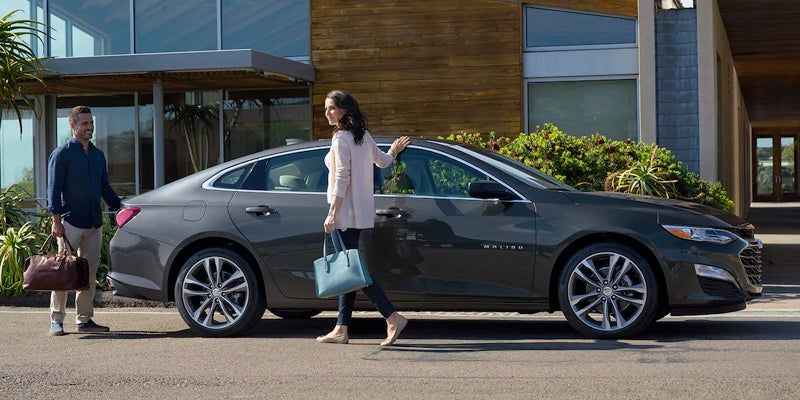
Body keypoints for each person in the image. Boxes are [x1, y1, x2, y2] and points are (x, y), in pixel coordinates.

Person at [316, 90, 411, 346]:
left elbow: (341, 177)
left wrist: (332, 213)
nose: (327, 113)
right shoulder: (362, 136)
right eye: (325, 109)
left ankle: (392, 316)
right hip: (359, 215)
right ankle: (341, 328)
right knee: (348, 269)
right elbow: (383, 161)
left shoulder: (341, 139)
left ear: (345, 110)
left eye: (331, 108)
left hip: (343, 214)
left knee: (353, 271)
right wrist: (394, 150)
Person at [46, 106, 121, 336]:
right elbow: (53, 190)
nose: (90, 127)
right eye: (85, 123)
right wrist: (56, 221)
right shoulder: (61, 154)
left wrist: (119, 208)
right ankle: (56, 320)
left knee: (89, 275)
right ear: (73, 125)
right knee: (63, 274)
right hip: (69, 224)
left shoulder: (98, 155)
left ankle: (84, 320)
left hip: (94, 224)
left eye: (91, 123)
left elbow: (105, 188)